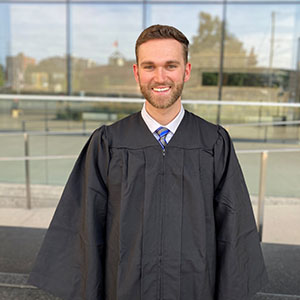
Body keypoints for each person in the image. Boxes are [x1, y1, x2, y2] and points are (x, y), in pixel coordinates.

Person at [29, 25, 268, 300]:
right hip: (124, 289)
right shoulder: (108, 143)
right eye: (150, 66)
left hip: (195, 289)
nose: (160, 76)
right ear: (137, 72)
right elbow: (84, 228)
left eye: (171, 65)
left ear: (186, 71)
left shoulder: (213, 143)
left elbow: (233, 230)